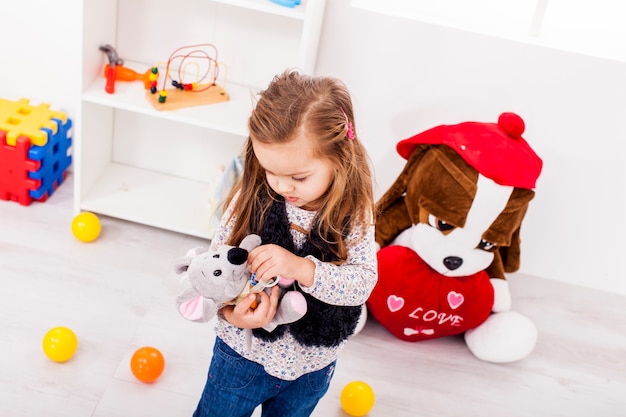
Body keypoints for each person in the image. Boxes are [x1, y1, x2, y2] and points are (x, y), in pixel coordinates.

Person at [192, 69, 377, 417]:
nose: (282, 186)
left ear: (339, 158)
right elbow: (215, 272)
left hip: (311, 367)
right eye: (270, 171)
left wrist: (301, 268)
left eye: (299, 177)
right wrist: (234, 314)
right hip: (241, 356)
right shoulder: (251, 198)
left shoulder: (354, 212)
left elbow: (362, 283)